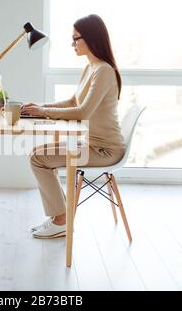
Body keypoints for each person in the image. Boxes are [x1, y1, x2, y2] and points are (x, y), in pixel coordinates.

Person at [21, 14, 126, 239]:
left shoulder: (104, 71)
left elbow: (82, 112)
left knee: (38, 159)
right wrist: (40, 106)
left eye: (76, 39)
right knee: (37, 155)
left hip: (104, 150)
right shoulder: (91, 68)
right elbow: (72, 102)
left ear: (91, 38)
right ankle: (61, 216)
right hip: (90, 144)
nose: (73, 44)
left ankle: (61, 220)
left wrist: (44, 112)